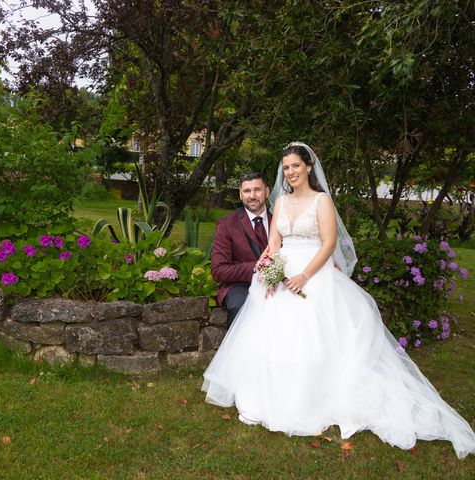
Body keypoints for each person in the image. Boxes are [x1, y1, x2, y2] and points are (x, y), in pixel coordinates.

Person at [202, 142, 475, 458]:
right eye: (285, 167)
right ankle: (269, 397)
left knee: (314, 337)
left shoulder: (321, 201)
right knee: (274, 337)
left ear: (307, 167)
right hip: (283, 273)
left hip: (313, 275)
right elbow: (274, 243)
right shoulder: (280, 202)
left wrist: (304, 275)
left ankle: (314, 398)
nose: (290, 172)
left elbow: (329, 243)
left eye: (295, 166)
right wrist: (266, 269)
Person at [211, 172, 272, 329]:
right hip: (239, 285)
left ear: (267, 191)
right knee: (242, 305)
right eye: (246, 191)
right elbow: (218, 270)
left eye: (257, 190)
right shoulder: (227, 224)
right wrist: (257, 266)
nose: (252, 196)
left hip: (276, 283)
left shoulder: (280, 222)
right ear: (240, 194)